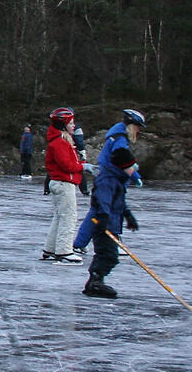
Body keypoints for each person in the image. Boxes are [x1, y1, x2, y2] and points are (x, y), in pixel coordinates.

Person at [79, 109, 146, 299]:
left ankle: (95, 281)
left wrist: (128, 216)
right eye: (138, 128)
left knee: (108, 255)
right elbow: (101, 199)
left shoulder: (116, 178)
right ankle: (95, 283)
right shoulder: (108, 178)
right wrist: (103, 217)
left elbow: (119, 201)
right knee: (108, 254)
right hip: (105, 221)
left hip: (111, 220)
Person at [42, 107, 87, 263]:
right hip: (63, 183)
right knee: (68, 216)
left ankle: (51, 248)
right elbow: (66, 165)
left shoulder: (63, 140)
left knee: (59, 216)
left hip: (60, 183)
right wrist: (83, 167)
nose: (74, 126)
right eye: (71, 123)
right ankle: (64, 251)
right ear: (63, 125)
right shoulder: (60, 142)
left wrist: (81, 163)